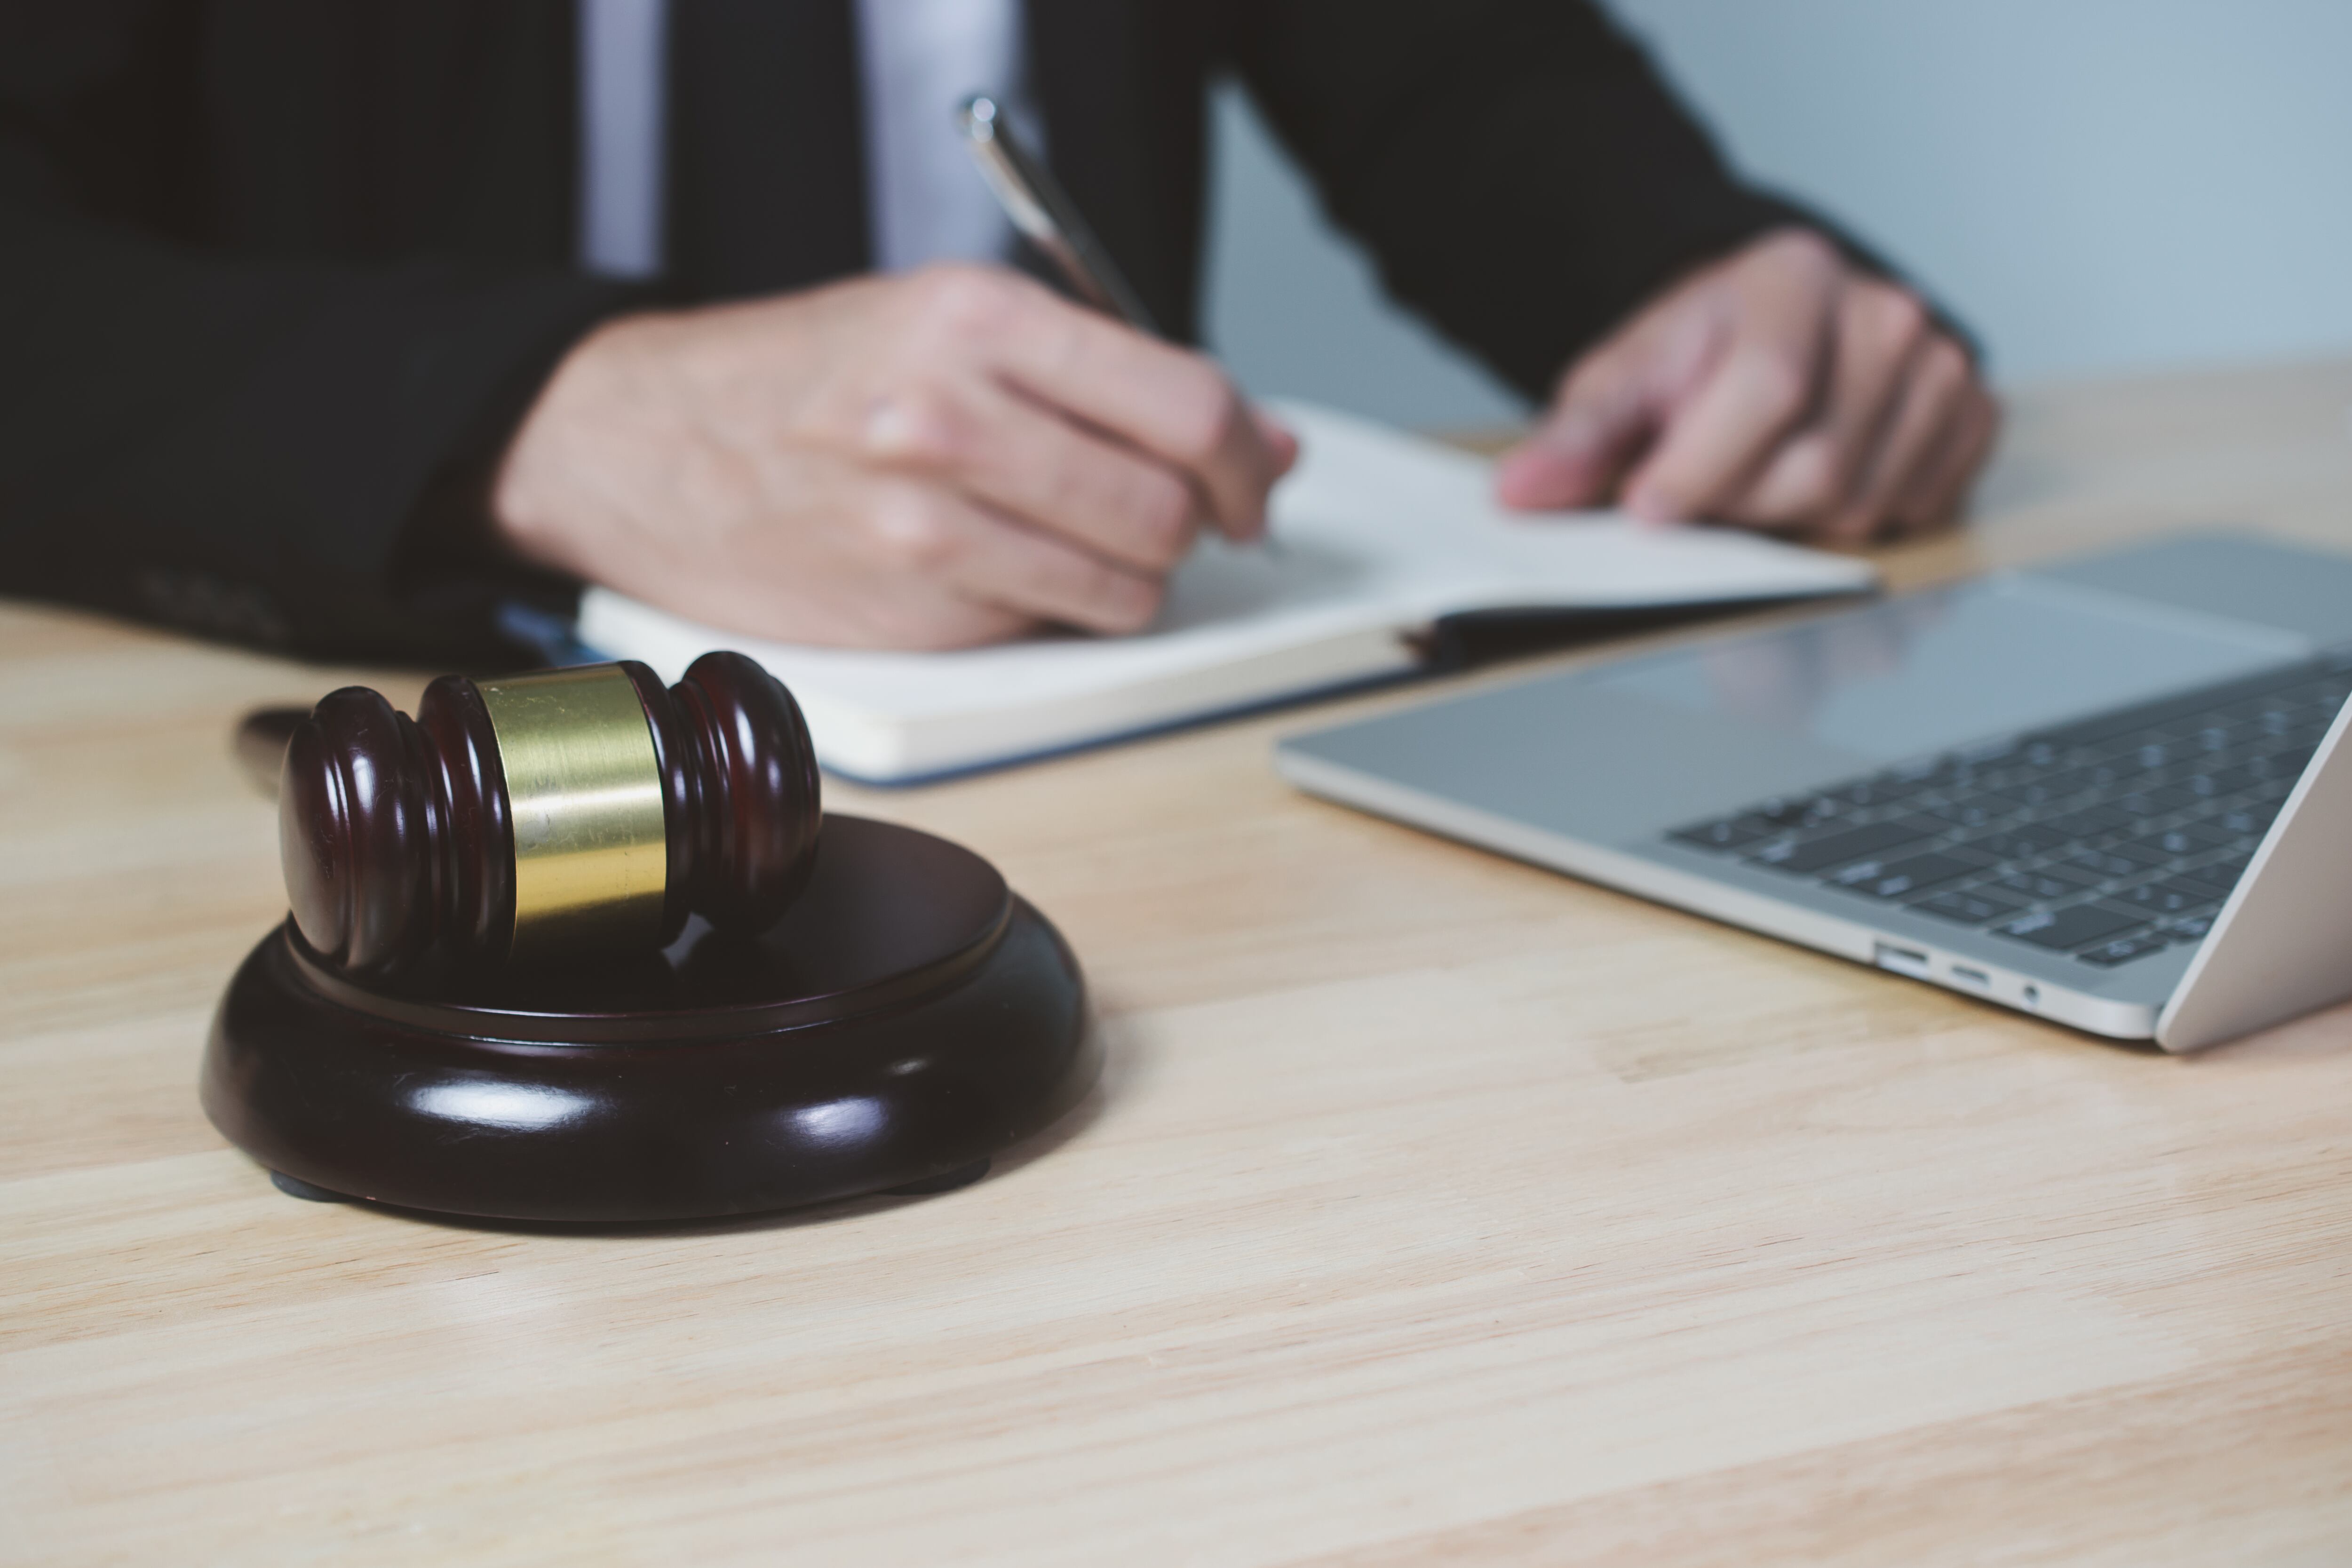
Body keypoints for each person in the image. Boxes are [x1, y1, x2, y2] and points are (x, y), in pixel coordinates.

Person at [0, 0, 1994, 665]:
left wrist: (1714, 288)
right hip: (375, 783)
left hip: (1098, 770)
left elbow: (1469, 87)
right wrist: (537, 413)